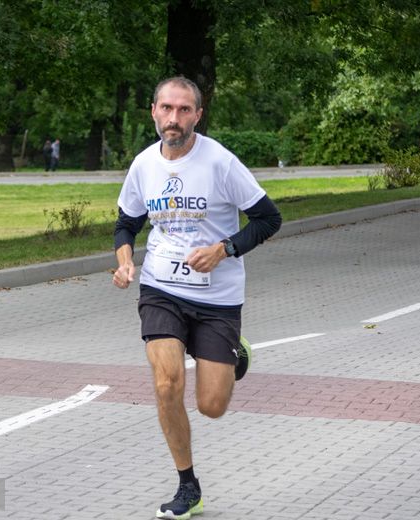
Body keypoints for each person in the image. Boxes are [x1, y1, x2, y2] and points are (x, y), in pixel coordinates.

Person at [112, 76, 282, 519]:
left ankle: (234, 353)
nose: (174, 118)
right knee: (167, 382)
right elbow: (126, 222)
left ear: (198, 116)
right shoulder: (144, 165)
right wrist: (126, 260)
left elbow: (268, 219)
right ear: (153, 111)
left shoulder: (220, 162)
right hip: (161, 287)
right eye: (166, 108)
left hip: (217, 297)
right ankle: (188, 486)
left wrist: (224, 249)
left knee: (211, 406)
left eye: (184, 110)